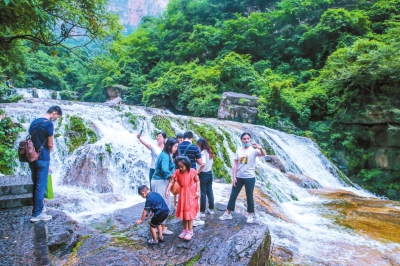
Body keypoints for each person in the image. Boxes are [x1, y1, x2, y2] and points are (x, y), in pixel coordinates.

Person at [219, 132, 265, 224]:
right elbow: (236, 164)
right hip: (239, 177)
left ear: (250, 139)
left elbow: (263, 154)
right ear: (241, 140)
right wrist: (234, 177)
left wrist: (260, 147)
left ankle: (250, 215)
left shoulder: (254, 149)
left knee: (249, 196)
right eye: (244, 139)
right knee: (233, 195)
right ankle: (228, 213)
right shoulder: (239, 150)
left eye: (248, 138)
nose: (246, 140)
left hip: (250, 177)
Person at [29, 106, 63, 222]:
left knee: (36, 184)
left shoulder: (34, 122)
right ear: (54, 113)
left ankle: (38, 209)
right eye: (56, 117)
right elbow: (50, 144)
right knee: (41, 185)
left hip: (32, 157)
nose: (55, 119)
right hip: (43, 158)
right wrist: (47, 155)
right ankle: (37, 214)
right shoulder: (48, 124)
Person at [165, 156, 199, 241]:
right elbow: (172, 181)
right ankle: (184, 230)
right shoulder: (177, 172)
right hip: (183, 193)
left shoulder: (192, 171)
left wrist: (197, 190)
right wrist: (167, 189)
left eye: (182, 166)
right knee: (184, 213)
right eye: (179, 166)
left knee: (189, 213)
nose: (181, 168)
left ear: (187, 165)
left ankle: (190, 231)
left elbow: (197, 181)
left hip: (191, 193)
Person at [151, 137, 178, 235]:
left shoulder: (164, 154)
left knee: (160, 205)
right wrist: (171, 175)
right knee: (164, 205)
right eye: (175, 147)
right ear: (170, 146)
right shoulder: (166, 156)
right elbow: (164, 169)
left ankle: (160, 226)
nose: (176, 149)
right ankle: (161, 228)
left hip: (157, 181)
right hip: (160, 182)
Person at [177, 131, 205, 226]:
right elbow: (200, 162)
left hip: (180, 175)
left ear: (184, 137)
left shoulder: (178, 146)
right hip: (191, 175)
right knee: (194, 197)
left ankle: (184, 217)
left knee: (183, 197)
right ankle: (195, 219)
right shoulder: (194, 148)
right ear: (191, 139)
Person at [196, 138, 215, 217]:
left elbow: (203, 163)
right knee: (209, 191)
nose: (197, 147)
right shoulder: (210, 152)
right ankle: (211, 209)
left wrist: (198, 171)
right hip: (209, 173)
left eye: (198, 145)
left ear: (200, 145)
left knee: (203, 193)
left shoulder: (203, 153)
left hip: (203, 174)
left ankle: (202, 211)